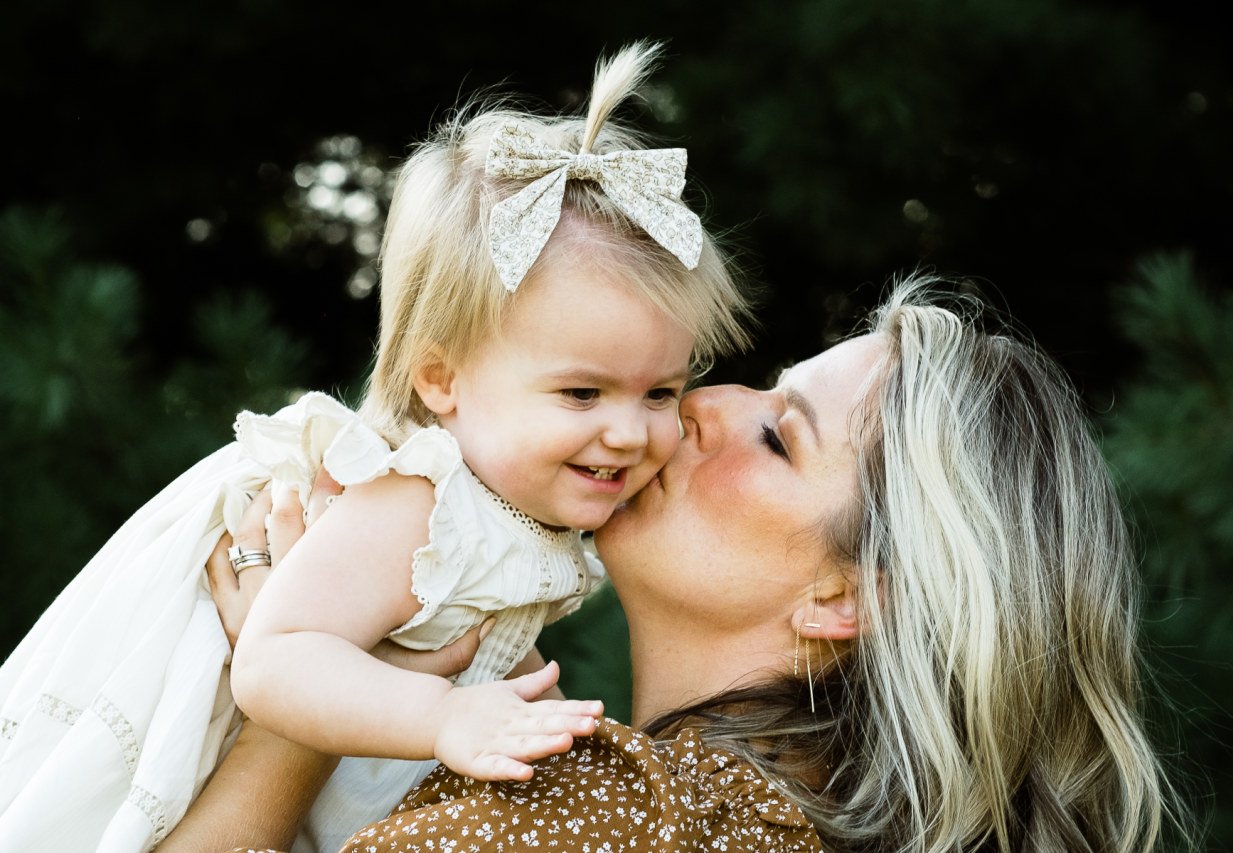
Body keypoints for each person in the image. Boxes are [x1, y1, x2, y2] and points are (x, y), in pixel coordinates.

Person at [0, 43, 752, 853]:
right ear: (441, 379)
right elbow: (274, 661)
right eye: (581, 393)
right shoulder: (418, 501)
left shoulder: (503, 504)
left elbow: (468, 636)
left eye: (661, 392)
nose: (630, 432)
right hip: (189, 740)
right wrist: (447, 715)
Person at [185, 281, 1188, 852]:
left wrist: (290, 696)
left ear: (846, 597)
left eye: (777, 438)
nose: (702, 404)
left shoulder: (606, 820)